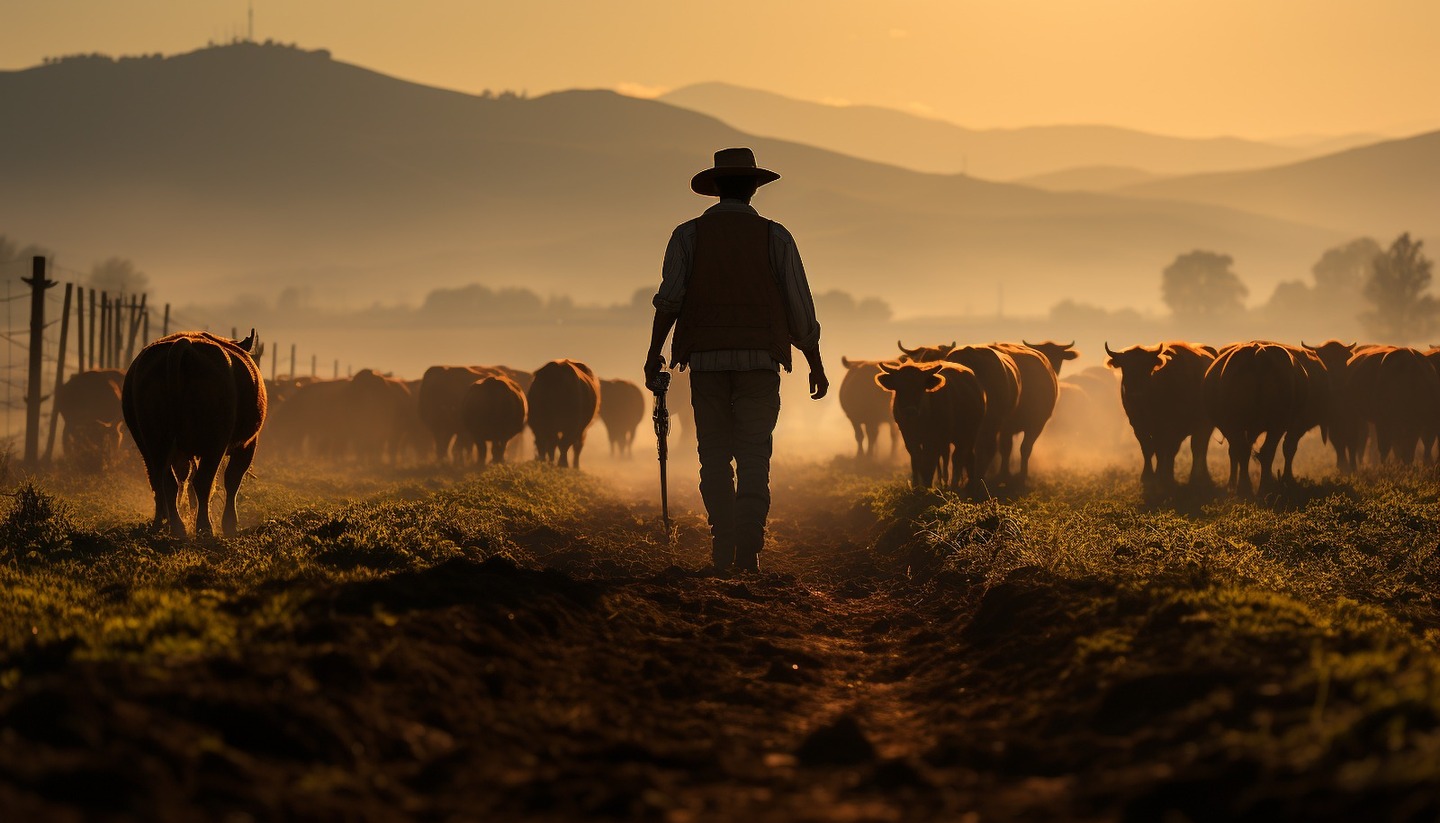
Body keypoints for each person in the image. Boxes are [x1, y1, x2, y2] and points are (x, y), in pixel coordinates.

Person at [644, 147, 828, 573]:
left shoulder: (687, 236)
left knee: (713, 455)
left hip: (705, 362)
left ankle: (722, 546)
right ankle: (748, 550)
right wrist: (814, 360)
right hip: (760, 362)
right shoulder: (775, 236)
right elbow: (799, 307)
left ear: (715, 190)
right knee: (753, 455)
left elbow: (670, 300)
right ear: (752, 189)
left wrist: (654, 353)